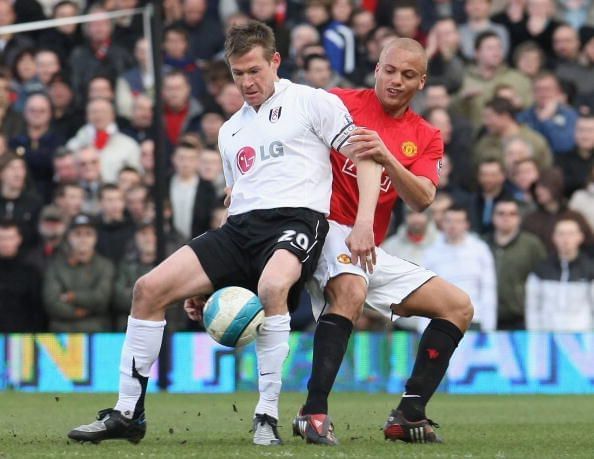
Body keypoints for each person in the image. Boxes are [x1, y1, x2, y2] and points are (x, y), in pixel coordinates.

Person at [67, 21, 379, 446]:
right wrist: (209, 278)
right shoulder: (230, 130)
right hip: (240, 229)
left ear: (274, 61)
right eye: (237, 73)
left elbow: (368, 153)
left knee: (272, 286)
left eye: (254, 71)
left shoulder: (312, 102)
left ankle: (266, 415)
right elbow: (239, 200)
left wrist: (363, 223)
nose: (247, 82)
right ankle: (127, 413)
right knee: (148, 288)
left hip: (297, 221)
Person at [291, 38, 473, 446]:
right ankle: (313, 411)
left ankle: (408, 414)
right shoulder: (336, 103)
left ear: (422, 82)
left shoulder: (426, 135)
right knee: (351, 290)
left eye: (408, 75)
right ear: (376, 68)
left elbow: (424, 197)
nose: (396, 81)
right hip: (323, 228)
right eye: (389, 70)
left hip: (366, 245)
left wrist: (389, 157)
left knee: (457, 307)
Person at [484, 198, 547, 330]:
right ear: (493, 217)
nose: (506, 218)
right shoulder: (482, 244)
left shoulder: (531, 244)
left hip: (520, 317)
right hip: (486, 315)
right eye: (501, 213)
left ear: (519, 218)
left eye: (512, 214)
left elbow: (542, 277)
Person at [525, 218, 594, 331]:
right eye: (561, 234)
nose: (566, 239)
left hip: (582, 336)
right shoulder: (541, 270)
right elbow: (532, 307)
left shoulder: (590, 269)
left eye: (571, 234)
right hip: (547, 335)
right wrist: (535, 334)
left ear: (580, 237)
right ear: (554, 238)